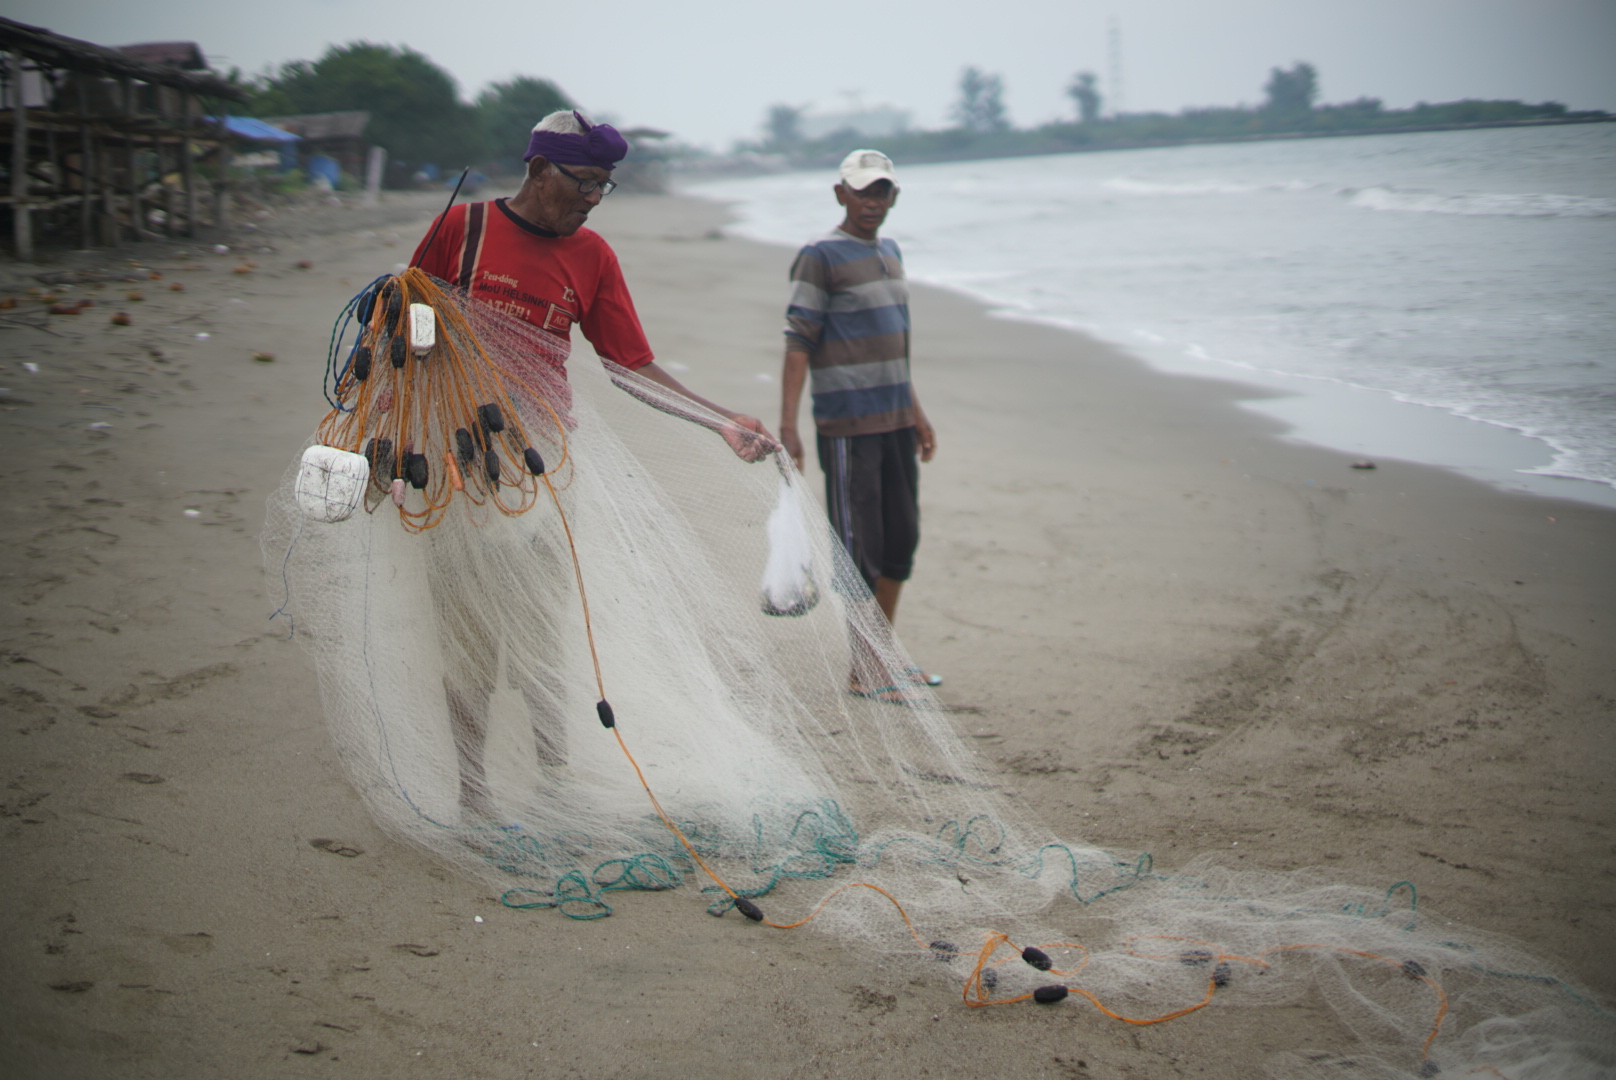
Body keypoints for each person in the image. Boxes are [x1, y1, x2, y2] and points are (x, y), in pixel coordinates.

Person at [408, 109, 774, 817]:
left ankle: (556, 783)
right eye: (582, 183)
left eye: (604, 188)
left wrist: (721, 421)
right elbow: (406, 325)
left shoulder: (593, 257)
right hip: (456, 465)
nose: (590, 199)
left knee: (543, 631)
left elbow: (630, 366)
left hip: (545, 466)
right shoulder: (464, 229)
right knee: (468, 639)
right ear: (538, 169)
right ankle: (474, 796)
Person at [778, 149, 939, 703]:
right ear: (840, 193)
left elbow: (896, 339)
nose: (873, 202)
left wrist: (915, 411)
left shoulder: (890, 251)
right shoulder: (819, 256)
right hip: (848, 426)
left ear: (894, 196)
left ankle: (883, 655)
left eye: (882, 192)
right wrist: (789, 426)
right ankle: (863, 669)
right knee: (858, 548)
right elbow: (799, 340)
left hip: (895, 420)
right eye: (863, 191)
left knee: (901, 542)